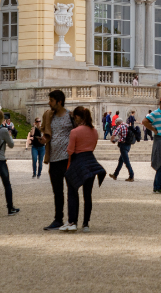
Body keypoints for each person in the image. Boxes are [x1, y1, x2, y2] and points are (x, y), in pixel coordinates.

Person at [60, 106, 105, 232]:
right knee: (87, 195)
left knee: (72, 192)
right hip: (91, 162)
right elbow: (93, 147)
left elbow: (70, 150)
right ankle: (86, 224)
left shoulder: (75, 132)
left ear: (78, 117)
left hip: (77, 161)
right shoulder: (94, 131)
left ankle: (72, 221)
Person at [39, 89, 74, 231]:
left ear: (59, 102)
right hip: (53, 158)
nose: (49, 103)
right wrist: (43, 139)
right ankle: (58, 219)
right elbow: (47, 134)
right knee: (57, 191)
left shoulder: (70, 116)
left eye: (51, 101)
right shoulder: (49, 116)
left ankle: (72, 220)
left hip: (68, 158)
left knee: (71, 190)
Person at [142, 96, 161, 194]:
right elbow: (144, 121)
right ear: (159, 103)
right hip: (160, 140)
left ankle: (156, 186)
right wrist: (154, 130)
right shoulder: (155, 113)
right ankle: (160, 186)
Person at [108, 117, 134, 182]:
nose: (116, 125)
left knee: (126, 161)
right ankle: (115, 175)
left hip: (123, 146)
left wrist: (112, 140)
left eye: (116, 123)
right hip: (128, 144)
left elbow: (114, 135)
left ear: (118, 122)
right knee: (121, 161)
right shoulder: (127, 125)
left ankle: (131, 176)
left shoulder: (120, 126)